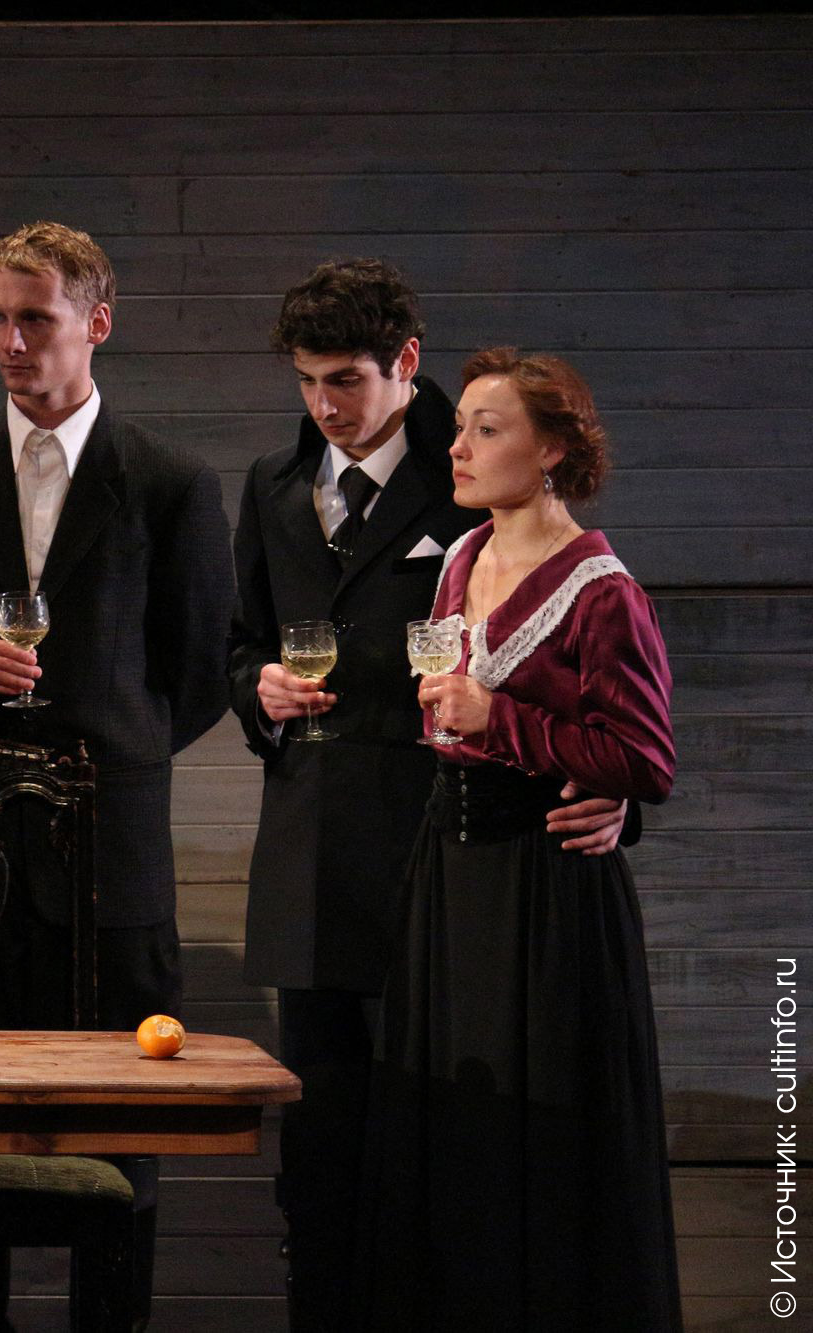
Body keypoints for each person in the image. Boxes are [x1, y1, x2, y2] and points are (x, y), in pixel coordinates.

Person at [225, 261, 630, 1330]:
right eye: (306, 381)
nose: (324, 405)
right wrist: (257, 688)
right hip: (313, 862)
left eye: (345, 380)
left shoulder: (478, 465)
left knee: (448, 1146)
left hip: (447, 860)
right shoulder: (272, 484)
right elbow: (236, 641)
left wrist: (616, 794)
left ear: (404, 361)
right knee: (321, 1147)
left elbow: (593, 670)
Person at [0, 220, 234, 1326]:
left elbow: (200, 668)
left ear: (96, 324)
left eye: (35, 318)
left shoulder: (169, 481)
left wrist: (112, 749)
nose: (11, 342)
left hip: (112, 869)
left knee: (120, 1159)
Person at [356, 348, 680, 1328]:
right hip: (449, 877)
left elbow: (644, 757)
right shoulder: (461, 556)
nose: (457, 447)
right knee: (452, 1126)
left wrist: (501, 719)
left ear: (549, 451)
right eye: (460, 428)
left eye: (485, 430)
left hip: (543, 892)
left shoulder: (599, 589)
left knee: (542, 1135)